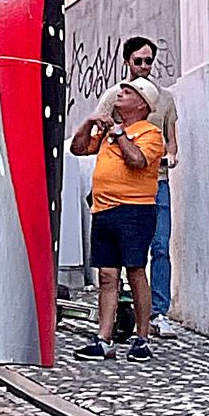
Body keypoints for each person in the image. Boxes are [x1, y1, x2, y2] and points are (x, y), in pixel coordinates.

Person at [70, 78, 165, 362]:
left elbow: (137, 160)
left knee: (135, 271)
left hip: (135, 211)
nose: (119, 95)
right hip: (104, 209)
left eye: (127, 92)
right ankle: (104, 338)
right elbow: (78, 148)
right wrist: (89, 124)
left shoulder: (150, 133)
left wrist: (119, 133)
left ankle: (142, 338)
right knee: (107, 275)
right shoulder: (109, 132)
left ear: (141, 102)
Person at [95, 37, 179, 338]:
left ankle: (159, 313)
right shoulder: (115, 96)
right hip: (119, 188)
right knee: (120, 261)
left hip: (156, 182)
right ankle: (115, 314)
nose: (144, 66)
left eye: (148, 61)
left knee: (160, 246)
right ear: (127, 62)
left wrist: (169, 156)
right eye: (138, 61)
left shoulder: (165, 99)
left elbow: (172, 140)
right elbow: (98, 129)